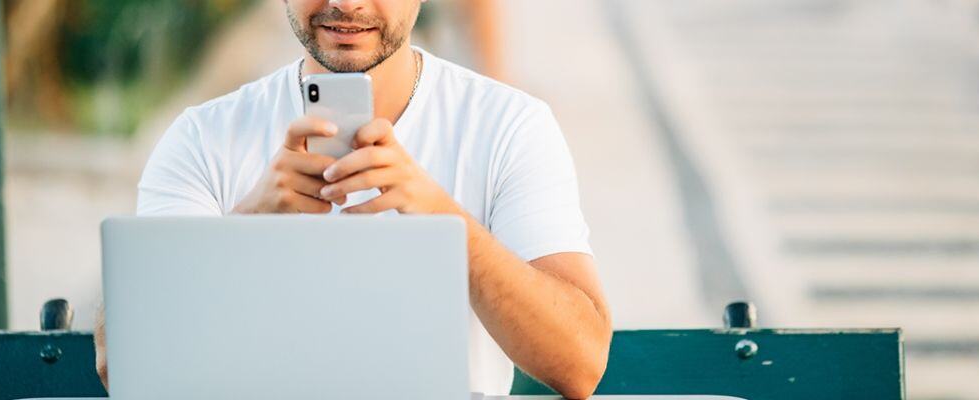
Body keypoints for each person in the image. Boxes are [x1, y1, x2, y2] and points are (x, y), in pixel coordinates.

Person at [95, 0, 611, 397]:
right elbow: (119, 360)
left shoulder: (510, 127)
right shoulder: (202, 138)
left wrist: (444, 220)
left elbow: (580, 362)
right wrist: (246, 225)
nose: (346, 1)